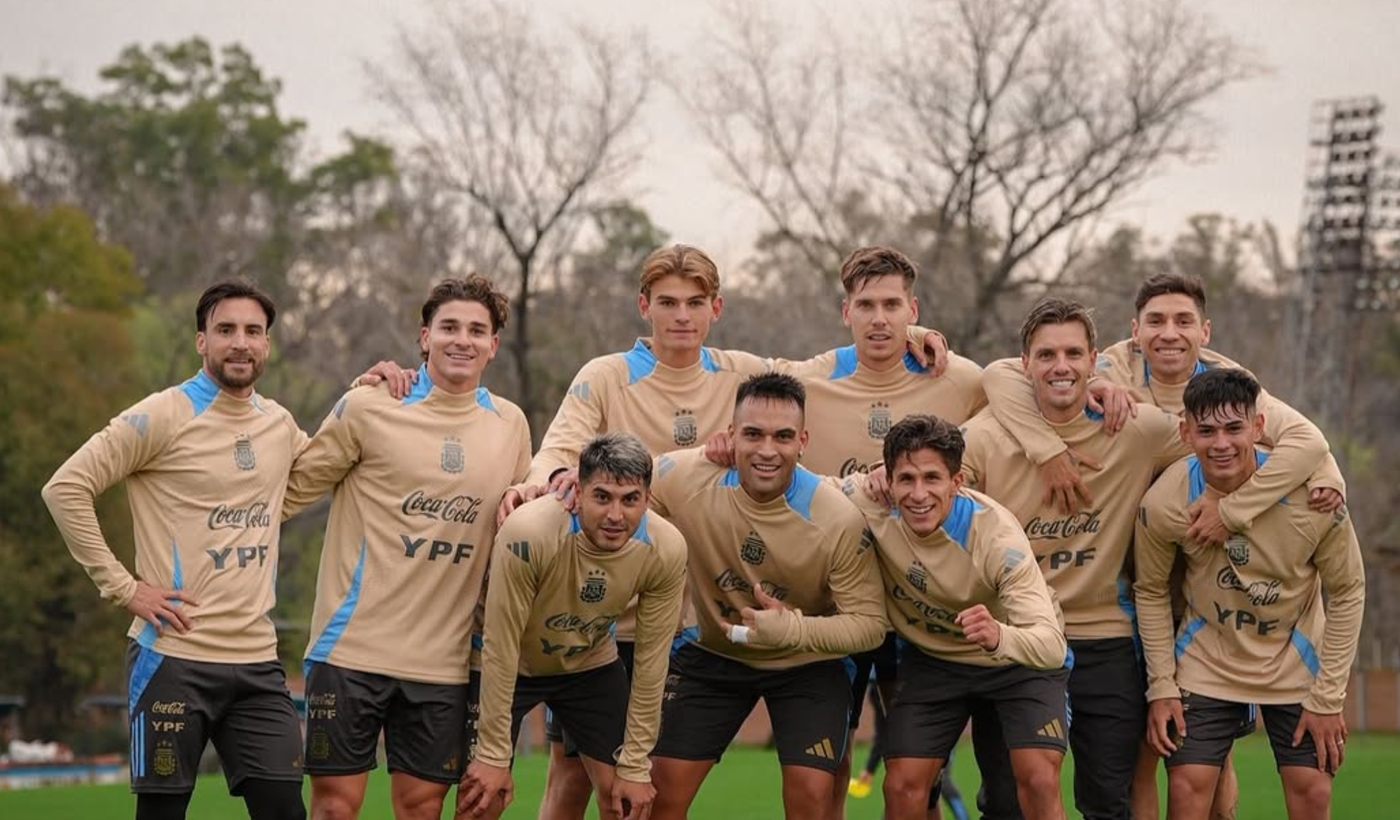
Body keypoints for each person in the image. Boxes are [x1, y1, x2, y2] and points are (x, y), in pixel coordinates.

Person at [356, 243, 947, 820]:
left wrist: (906, 342)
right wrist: (552, 481)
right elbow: (561, 449)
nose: (682, 316)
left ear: (716, 309)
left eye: (695, 303)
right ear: (645, 305)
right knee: (572, 772)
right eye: (668, 302)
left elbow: (813, 379)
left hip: (686, 616)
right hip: (603, 619)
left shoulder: (743, 372)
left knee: (630, 788)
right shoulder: (607, 376)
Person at [979, 272, 1345, 820]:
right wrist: (1046, 446)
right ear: (1133, 332)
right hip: (1114, 596)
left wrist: (1284, 492)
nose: (1168, 333)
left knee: (1194, 766)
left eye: (1182, 321)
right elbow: (1001, 373)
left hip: (1204, 603)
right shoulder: (1112, 373)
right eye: (1156, 320)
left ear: (1205, 331)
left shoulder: (1228, 387)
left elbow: (1306, 439)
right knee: (1122, 767)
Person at [42, 281, 308, 820]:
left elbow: (334, 466)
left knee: (284, 809)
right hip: (172, 660)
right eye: (225, 330)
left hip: (257, 664)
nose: (240, 343)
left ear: (267, 345)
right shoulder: (163, 414)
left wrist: (372, 391)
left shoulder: (279, 425)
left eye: (253, 331)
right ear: (200, 341)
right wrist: (124, 588)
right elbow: (64, 489)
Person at [283, 276, 532, 820]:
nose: (461, 340)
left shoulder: (510, 424)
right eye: (448, 328)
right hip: (350, 648)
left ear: (493, 345)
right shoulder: (370, 404)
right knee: (333, 808)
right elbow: (289, 490)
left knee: (422, 809)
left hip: (442, 663)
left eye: (476, 330)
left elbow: (517, 528)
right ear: (424, 337)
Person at [956, 297, 1193, 820]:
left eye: (1072, 354)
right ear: (1025, 365)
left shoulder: (1138, 429)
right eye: (1045, 356)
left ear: (1093, 362)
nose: (1060, 367)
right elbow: (928, 501)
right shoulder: (984, 437)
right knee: (1007, 803)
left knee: (1110, 803)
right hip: (1015, 640)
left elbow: (1227, 443)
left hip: (1105, 639)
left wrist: (1306, 481)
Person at [646, 372, 887, 820]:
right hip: (712, 652)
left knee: (814, 797)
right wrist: (551, 483)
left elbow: (870, 625)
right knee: (657, 795)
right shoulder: (683, 476)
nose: (767, 450)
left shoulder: (837, 518)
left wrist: (792, 629)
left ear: (803, 442)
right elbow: (615, 492)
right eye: (753, 434)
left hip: (806, 663)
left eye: (783, 436)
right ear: (730, 435)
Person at [1134, 368, 1365, 820]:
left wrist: (1328, 697)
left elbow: (1350, 591)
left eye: (1234, 428)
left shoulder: (1315, 498)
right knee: (1186, 790)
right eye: (1206, 431)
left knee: (1312, 790)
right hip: (1208, 659)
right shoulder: (1164, 504)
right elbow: (1150, 590)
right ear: (1186, 433)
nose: (1221, 443)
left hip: (1294, 659)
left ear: (1258, 428)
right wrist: (1161, 685)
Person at [834, 415, 1069, 820]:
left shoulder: (997, 538)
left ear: (957, 483)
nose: (918, 494)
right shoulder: (870, 499)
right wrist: (726, 452)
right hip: (936, 660)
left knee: (1035, 781)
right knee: (902, 785)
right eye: (905, 479)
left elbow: (1050, 646)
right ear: (887, 479)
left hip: (1017, 662)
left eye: (932, 478)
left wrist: (1000, 635)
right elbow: (801, 485)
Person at [457, 432, 688, 820]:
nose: (616, 515)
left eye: (630, 499)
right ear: (577, 493)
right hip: (506, 663)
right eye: (602, 497)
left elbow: (651, 663)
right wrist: (494, 755)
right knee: (482, 798)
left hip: (587, 664)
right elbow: (501, 642)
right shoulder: (529, 531)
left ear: (647, 500)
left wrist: (635, 765)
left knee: (627, 800)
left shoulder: (667, 548)